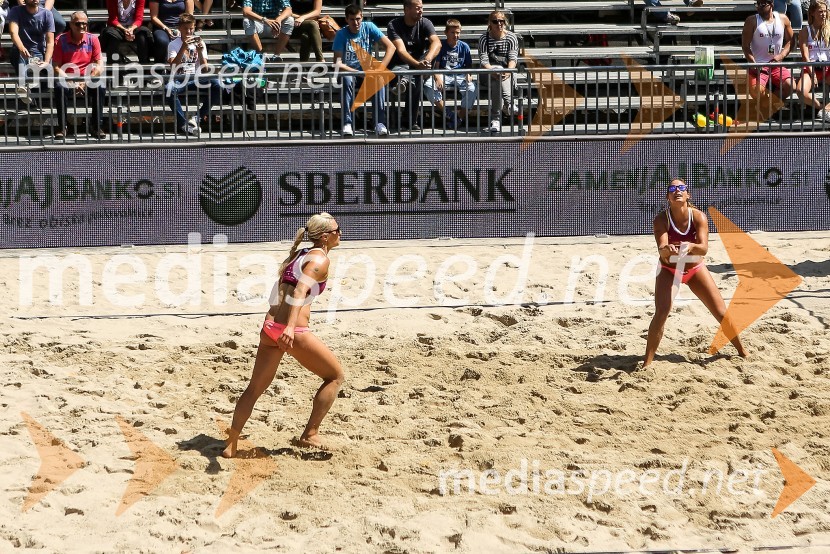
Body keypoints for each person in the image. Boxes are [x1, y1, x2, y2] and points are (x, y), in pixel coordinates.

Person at [221, 213, 345, 457]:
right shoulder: (320, 259)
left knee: (254, 389)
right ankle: (310, 434)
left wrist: (276, 323)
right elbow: (299, 291)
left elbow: (279, 291)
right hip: (293, 331)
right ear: (325, 236)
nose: (341, 232)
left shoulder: (298, 255)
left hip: (269, 327)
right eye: (337, 229)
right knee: (335, 377)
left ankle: (231, 444)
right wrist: (289, 327)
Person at [642, 179, 747, 368]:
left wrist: (690, 246)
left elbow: (703, 249)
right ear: (668, 197)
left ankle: (742, 351)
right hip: (669, 270)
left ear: (688, 195)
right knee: (661, 313)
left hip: (694, 269)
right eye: (672, 189)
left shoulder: (698, 217)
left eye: (681, 188)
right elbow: (662, 249)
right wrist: (667, 250)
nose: (677, 191)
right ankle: (647, 363)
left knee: (721, 312)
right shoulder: (661, 219)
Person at [332, 3, 394, 136]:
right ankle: (347, 123)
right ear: (346, 20)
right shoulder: (341, 34)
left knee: (379, 78)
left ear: (362, 17)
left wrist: (381, 68)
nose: (356, 22)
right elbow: (337, 63)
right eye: (352, 19)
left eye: (358, 19)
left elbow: (391, 47)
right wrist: (358, 73)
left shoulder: (369, 27)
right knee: (346, 80)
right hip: (348, 71)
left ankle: (379, 123)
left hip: (366, 71)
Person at [52, 11, 107, 139]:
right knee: (60, 87)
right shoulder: (60, 40)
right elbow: (56, 67)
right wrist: (72, 82)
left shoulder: (93, 39)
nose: (82, 26)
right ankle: (62, 127)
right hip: (67, 77)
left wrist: (85, 81)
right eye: (78, 24)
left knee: (101, 86)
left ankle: (96, 126)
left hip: (86, 78)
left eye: (85, 24)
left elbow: (100, 66)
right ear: (71, 24)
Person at [165, 12, 222, 136]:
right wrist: (183, 47)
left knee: (218, 85)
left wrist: (201, 52)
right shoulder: (173, 44)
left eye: (191, 28)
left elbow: (205, 69)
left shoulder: (200, 42)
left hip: (197, 78)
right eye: (186, 29)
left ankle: (196, 118)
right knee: (169, 89)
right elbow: (174, 67)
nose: (189, 32)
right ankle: (184, 124)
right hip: (180, 78)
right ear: (179, 28)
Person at [387, 0, 440, 131]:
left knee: (415, 76)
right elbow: (401, 51)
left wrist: (426, 60)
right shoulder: (393, 25)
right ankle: (410, 121)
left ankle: (405, 80)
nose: (421, 10)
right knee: (415, 76)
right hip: (397, 66)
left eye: (422, 7)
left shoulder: (425, 22)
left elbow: (437, 43)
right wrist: (418, 65)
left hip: (419, 65)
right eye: (417, 8)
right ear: (406, 9)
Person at [423, 18, 475, 129]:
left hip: (460, 74)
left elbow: (469, 65)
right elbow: (436, 66)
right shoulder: (441, 46)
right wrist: (437, 78)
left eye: (458, 33)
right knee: (428, 86)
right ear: (446, 32)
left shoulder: (464, 46)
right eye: (452, 32)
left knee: (471, 88)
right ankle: (449, 114)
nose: (455, 35)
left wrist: (469, 74)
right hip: (443, 73)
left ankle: (459, 119)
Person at [741, 0, 796, 101]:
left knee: (791, 86)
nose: (759, 7)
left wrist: (782, 55)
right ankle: (767, 107)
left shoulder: (783, 19)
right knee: (757, 92)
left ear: (771, 4)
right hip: (758, 65)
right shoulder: (752, 20)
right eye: (757, 4)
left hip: (775, 65)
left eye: (762, 4)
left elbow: (791, 41)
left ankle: (768, 105)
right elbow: (745, 46)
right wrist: (754, 64)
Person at [478, 9, 519, 134]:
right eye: (495, 21)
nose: (499, 24)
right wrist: (494, 71)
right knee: (497, 73)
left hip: (506, 72)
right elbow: (484, 61)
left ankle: (495, 120)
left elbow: (513, 59)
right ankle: (509, 103)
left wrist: (507, 71)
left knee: (499, 79)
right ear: (490, 24)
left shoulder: (511, 37)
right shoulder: (484, 38)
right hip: (488, 72)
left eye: (502, 21)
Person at [797, 0, 830, 120]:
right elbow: (805, 56)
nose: (823, 14)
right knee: (801, 91)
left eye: (825, 11)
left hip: (828, 66)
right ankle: (822, 108)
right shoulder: (805, 31)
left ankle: (827, 109)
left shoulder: (829, 29)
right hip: (812, 67)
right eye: (820, 11)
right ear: (812, 13)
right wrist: (812, 73)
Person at [7, 0, 54, 75]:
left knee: (49, 72)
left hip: (39, 51)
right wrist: (22, 48)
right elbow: (13, 33)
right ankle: (23, 85)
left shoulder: (47, 14)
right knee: (18, 53)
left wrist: (47, 62)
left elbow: (50, 42)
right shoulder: (16, 11)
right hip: (20, 49)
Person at [100, 0, 153, 64]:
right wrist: (124, 29)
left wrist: (131, 29)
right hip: (117, 27)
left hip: (133, 27)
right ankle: (113, 65)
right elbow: (113, 19)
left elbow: (139, 19)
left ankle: (144, 63)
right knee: (112, 35)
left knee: (143, 33)